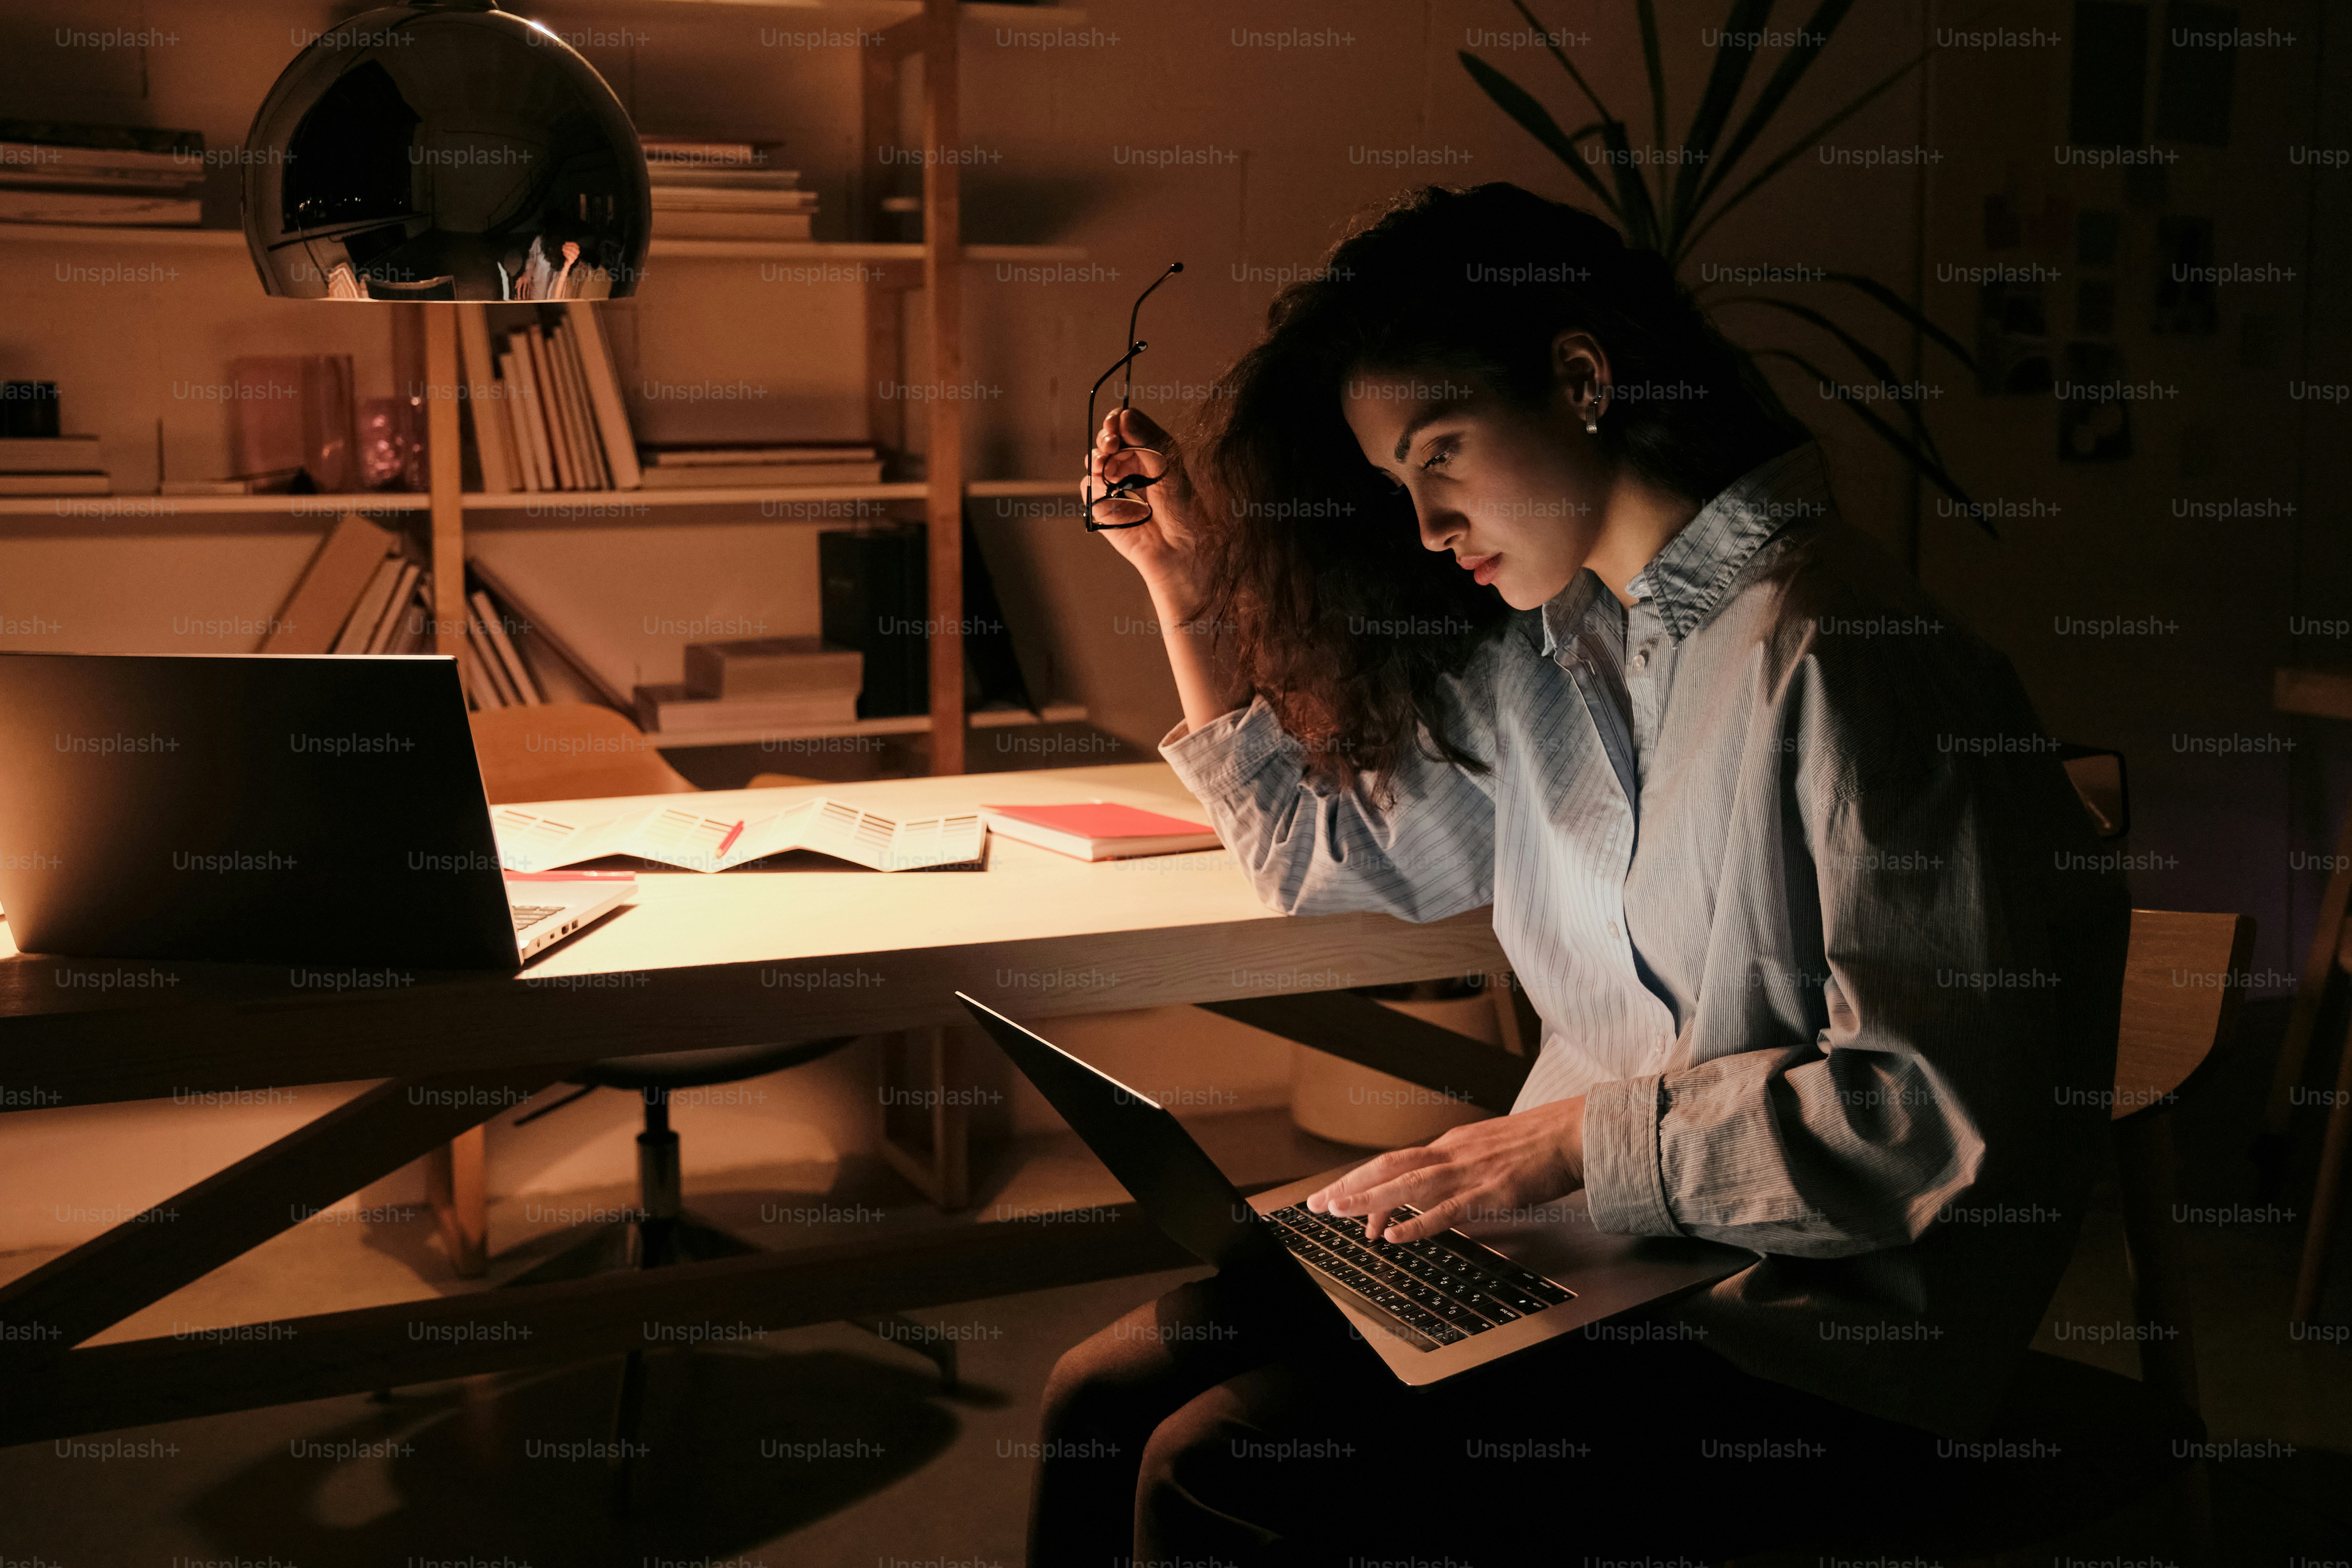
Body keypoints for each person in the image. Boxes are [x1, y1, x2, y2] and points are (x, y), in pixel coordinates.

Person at [1034, 183, 2131, 1566]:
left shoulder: (1846, 653)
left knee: (1213, 1464)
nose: (1427, 526)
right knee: (1099, 1394)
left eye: (1442, 456)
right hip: (1592, 1268)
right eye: (1397, 485)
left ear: (1580, 378)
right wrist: (1183, 593)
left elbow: (1925, 1120)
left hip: (1799, 1352)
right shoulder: (1552, 660)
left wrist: (1563, 1139)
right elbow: (1325, 860)